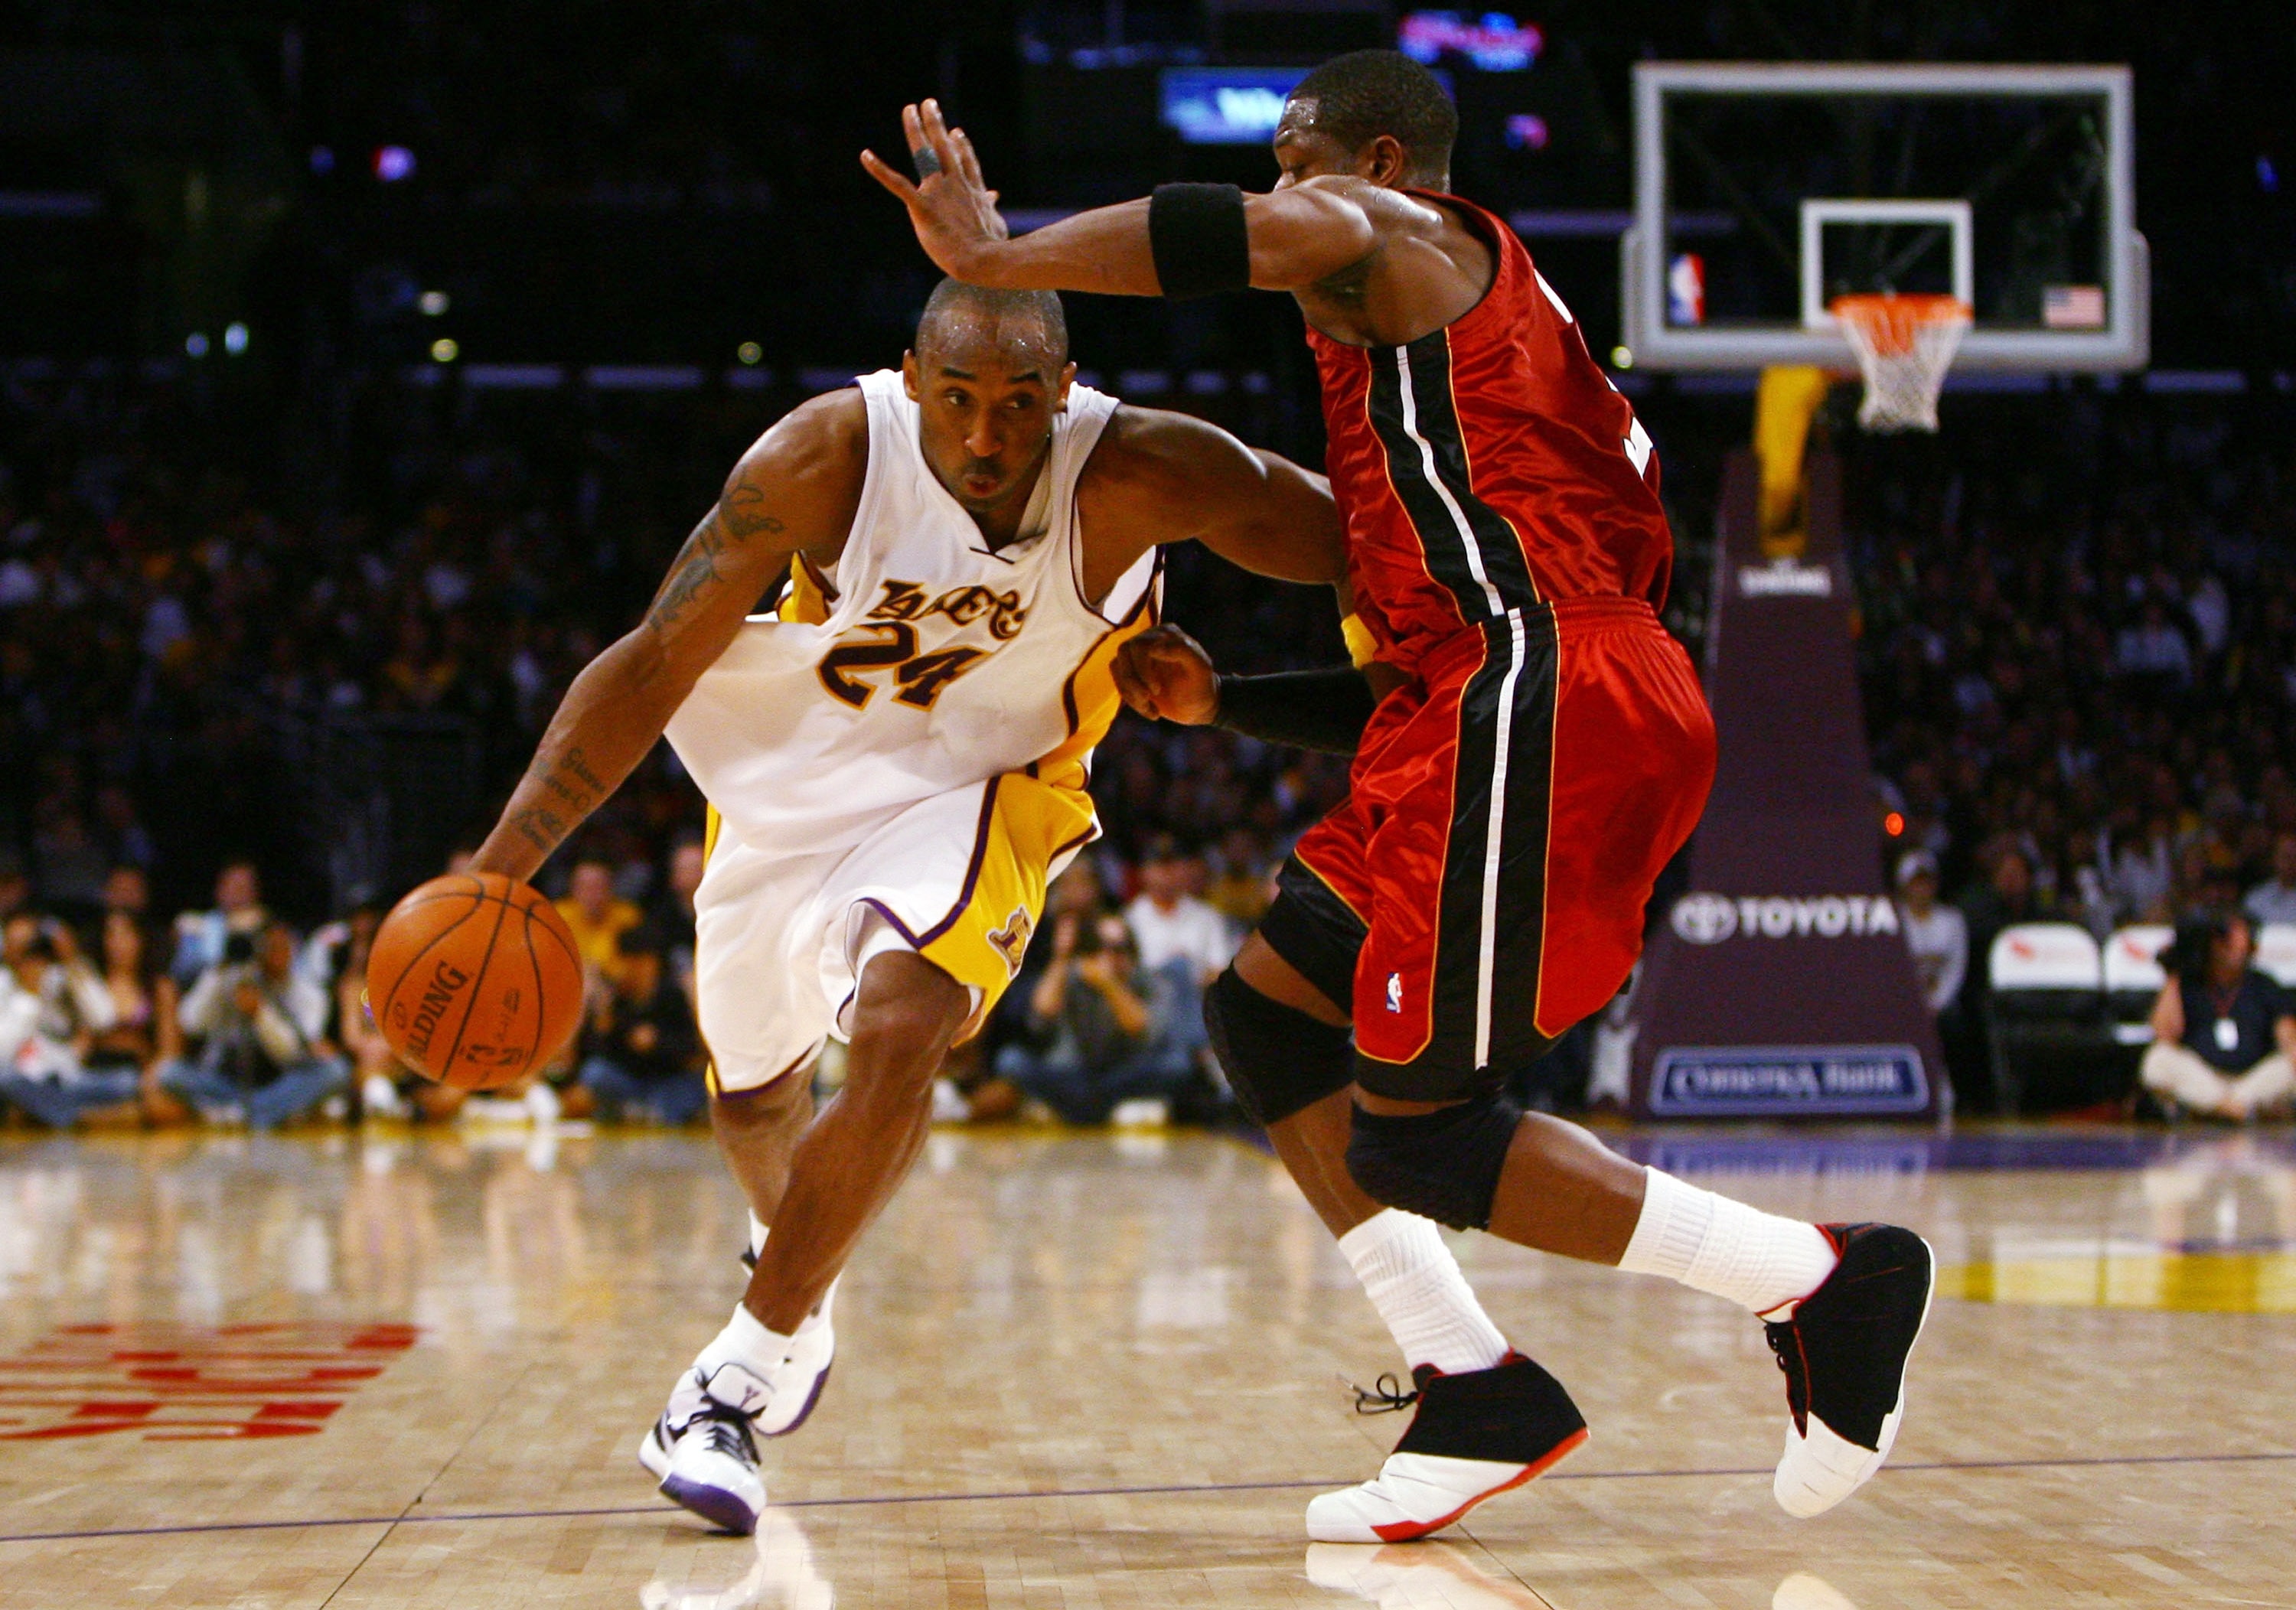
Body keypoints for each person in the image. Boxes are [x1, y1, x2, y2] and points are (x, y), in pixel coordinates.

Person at [872, 51, 1932, 1539]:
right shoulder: (1424, 395)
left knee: (1421, 1129)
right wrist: (1226, 699)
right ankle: (1472, 1376)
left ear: (1374, 160)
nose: (1284, 206)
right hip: (1485, 700)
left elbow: (1248, 234)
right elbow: (1408, 686)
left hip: (1551, 684)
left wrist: (1000, 254)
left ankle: (1823, 1277)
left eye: (1295, 168)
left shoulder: (1415, 239)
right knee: (1263, 1011)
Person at [458, 277, 1369, 1535]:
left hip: (992, 778)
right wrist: (504, 860)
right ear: (909, 377)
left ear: (1066, 389)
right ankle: (798, 1294)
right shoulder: (827, 455)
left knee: (903, 1020)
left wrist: (1532, 567)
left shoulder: (1144, 469)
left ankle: (734, 1373)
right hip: (799, 777)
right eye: (957, 401)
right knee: (750, 1100)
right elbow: (658, 658)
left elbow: (1360, 538)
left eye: (1017, 405)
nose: (987, 439)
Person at [993, 911, 1195, 1124]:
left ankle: (1075, 1110)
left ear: (1132, 951)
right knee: (1011, 1060)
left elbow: (1142, 1029)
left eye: (1118, 949)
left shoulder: (1148, 981)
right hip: (1073, 1075)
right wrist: (1062, 957)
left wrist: (1108, 984)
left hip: (1121, 1076)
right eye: (1098, 947)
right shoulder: (1071, 974)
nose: (1108, 956)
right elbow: (1042, 1015)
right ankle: (1105, 1110)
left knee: (1177, 1064)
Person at [153, 918, 349, 1129]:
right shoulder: (229, 979)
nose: (278, 954)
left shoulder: (309, 994)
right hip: (226, 1083)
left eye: (284, 947)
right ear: (258, 951)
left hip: (281, 1083)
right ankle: (267, 1115)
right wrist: (218, 974)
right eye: (270, 947)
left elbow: (293, 1053)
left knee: (336, 1071)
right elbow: (191, 1023)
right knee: (168, 1073)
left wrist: (260, 1014)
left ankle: (242, 1114)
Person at [2141, 911, 2296, 1121]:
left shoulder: (2265, 985)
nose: (2231, 948)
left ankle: (2215, 1110)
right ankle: (2234, 1110)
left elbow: (2288, 1038)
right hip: (2204, 1080)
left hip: (2251, 1083)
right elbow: (2166, 1035)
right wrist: (2174, 972)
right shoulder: (2188, 983)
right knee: (2158, 1059)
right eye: (2224, 941)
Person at [0, 913, 132, 1129]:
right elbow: (2, 1053)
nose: (24, 955)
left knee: (128, 1081)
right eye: (16, 945)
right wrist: (30, 997)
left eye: (30, 945)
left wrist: (72, 961)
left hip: (66, 1078)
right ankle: (75, 1118)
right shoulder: (3, 983)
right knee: (4, 1079)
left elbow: (104, 1019)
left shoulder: (62, 976)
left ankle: (45, 1114)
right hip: (20, 1079)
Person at [578, 925, 709, 1126]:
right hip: (630, 1079)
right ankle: (640, 1111)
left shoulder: (671, 997)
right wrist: (602, 1026)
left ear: (651, 963)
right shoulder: (615, 999)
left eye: (637, 962)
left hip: (666, 1078)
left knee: (693, 1086)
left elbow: (690, 1049)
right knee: (596, 1072)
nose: (631, 969)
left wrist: (658, 1042)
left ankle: (645, 1111)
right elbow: (598, 1052)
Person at [1122, 835, 1235, 986]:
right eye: (1160, 865)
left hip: (1197, 999)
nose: (1167, 872)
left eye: (1173, 865)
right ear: (1144, 872)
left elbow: (1221, 968)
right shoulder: (1130, 917)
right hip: (1148, 1001)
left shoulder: (1207, 916)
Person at [169, 859, 268, 986]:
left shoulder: (267, 928)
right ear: (219, 890)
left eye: (243, 887)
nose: (237, 893)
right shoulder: (195, 927)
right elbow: (182, 973)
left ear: (255, 893)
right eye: (232, 885)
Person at [1896, 851, 1968, 1021]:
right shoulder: (1893, 920)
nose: (1922, 889)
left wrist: (1936, 1004)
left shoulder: (1952, 920)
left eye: (1927, 883)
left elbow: (1956, 968)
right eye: (1916, 883)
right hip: (1901, 1005)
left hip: (1944, 1010)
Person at [556, 856, 644, 984]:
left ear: (611, 888)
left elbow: (640, 972)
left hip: (615, 989)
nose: (592, 895)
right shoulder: (558, 917)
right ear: (573, 889)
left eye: (598, 887)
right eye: (585, 887)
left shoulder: (628, 919)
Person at [2244, 833, 2296, 928]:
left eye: (2295, 857)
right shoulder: (2257, 899)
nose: (2292, 862)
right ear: (2275, 858)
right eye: (2287, 856)